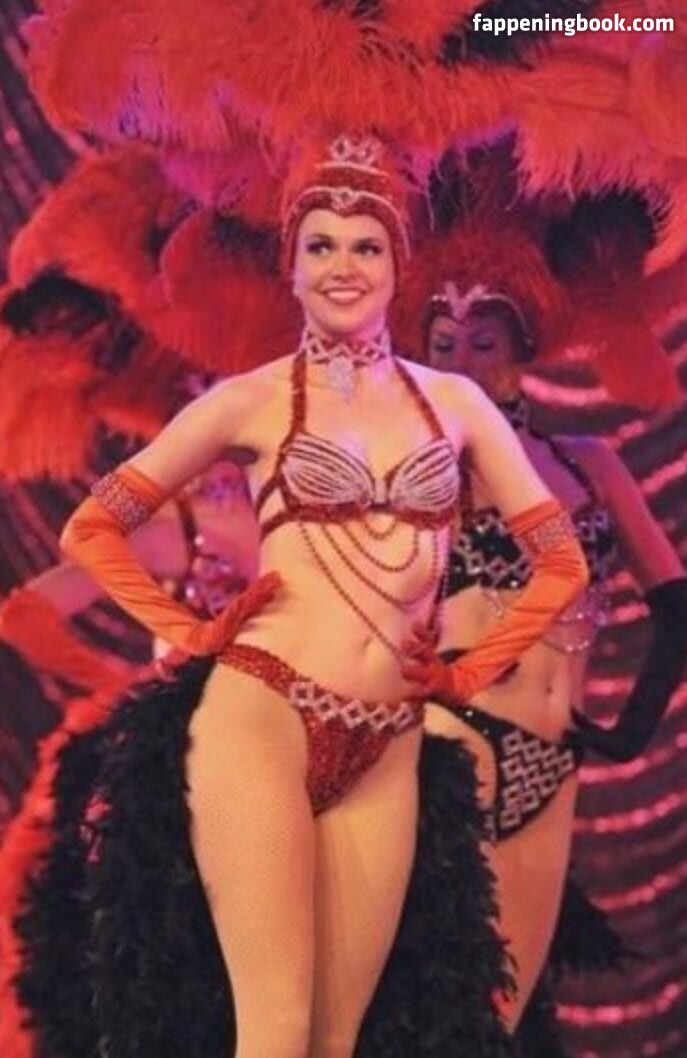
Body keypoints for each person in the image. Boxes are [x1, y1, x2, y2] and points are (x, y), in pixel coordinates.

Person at [0, 136, 589, 1058]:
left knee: (335, 1039)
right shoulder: (251, 401)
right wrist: (185, 631)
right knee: (274, 1031)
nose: (342, 266)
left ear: (397, 264)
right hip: (263, 716)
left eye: (365, 246)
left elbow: (562, 562)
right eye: (320, 246)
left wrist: (469, 671)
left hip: (388, 738)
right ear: (293, 266)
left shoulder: (456, 406)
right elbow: (92, 528)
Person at [413, 280, 687, 1044]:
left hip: (552, 751)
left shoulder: (586, 464)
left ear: (523, 351)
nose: (461, 363)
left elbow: (675, 603)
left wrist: (628, 729)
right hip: (448, 739)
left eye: (482, 344)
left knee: (508, 1000)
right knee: (438, 985)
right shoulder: (413, 475)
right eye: (442, 346)